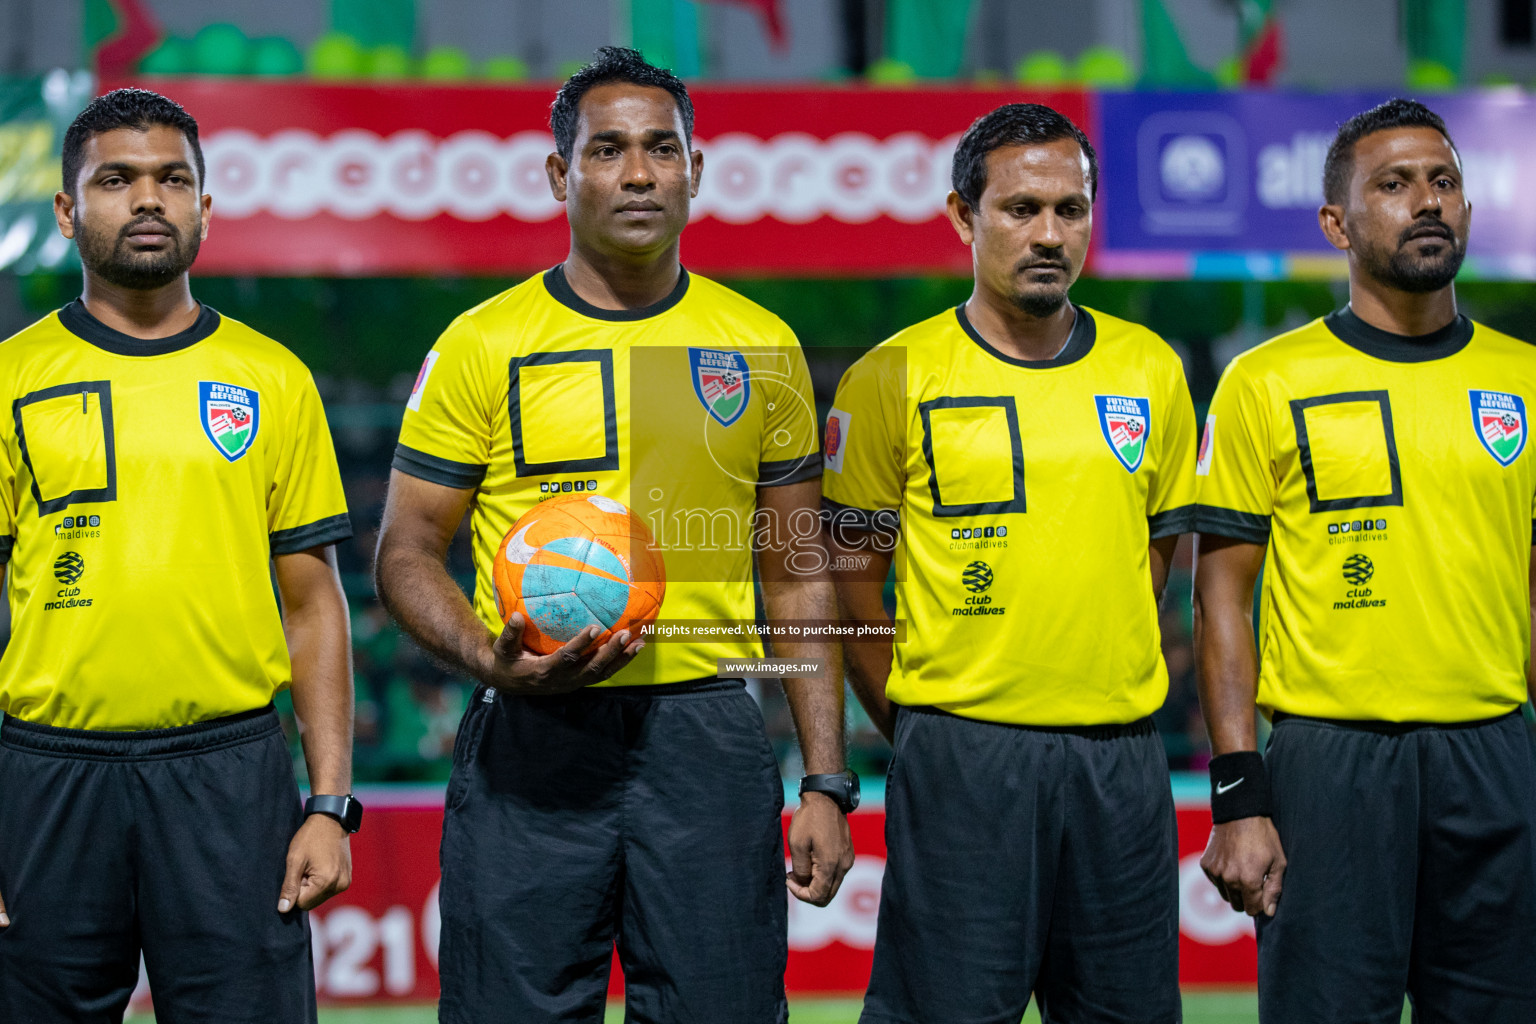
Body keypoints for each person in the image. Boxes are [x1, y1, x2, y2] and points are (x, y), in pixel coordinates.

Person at [373, 47, 854, 1024]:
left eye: (661, 149)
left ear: (694, 170)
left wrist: (827, 779)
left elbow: (796, 576)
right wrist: (488, 658)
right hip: (530, 732)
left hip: (707, 733)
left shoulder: (760, 345)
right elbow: (405, 550)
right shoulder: (483, 344)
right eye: (608, 150)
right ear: (561, 174)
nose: (638, 172)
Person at [825, 103, 1195, 1024]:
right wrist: (919, 725)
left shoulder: (1151, 368)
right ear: (963, 216)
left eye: (1070, 210)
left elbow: (1156, 556)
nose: (1048, 233)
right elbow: (847, 585)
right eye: (1020, 208)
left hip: (1123, 763)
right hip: (962, 759)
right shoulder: (890, 375)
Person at [0, 88, 357, 1022]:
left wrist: (330, 802)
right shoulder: (10, 379)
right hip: (43, 777)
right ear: (69, 211)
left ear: (206, 206)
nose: (148, 199)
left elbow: (315, 605)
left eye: (174, 179)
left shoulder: (273, 378)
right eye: (116, 179)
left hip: (228, 775)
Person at [1194, 98, 1536, 1022]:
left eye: (1444, 182)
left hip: (1497, 752)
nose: (1427, 201)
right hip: (1331, 765)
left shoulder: (1525, 380)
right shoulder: (1265, 381)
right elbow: (1221, 597)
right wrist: (1237, 796)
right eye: (1394, 185)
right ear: (1337, 224)